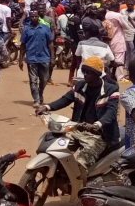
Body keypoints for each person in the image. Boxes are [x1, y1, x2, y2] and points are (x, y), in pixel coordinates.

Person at [36, 57, 121, 192]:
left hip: (99, 135)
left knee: (81, 164)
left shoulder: (111, 90)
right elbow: (65, 100)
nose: (85, 74)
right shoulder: (80, 86)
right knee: (55, 150)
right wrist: (47, 107)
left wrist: (97, 125)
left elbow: (111, 113)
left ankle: (83, 193)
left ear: (98, 74)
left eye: (89, 72)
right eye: (84, 71)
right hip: (77, 129)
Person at [19, 9, 54, 108]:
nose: (34, 18)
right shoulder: (26, 29)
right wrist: (20, 59)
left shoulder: (45, 28)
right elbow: (23, 45)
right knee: (33, 80)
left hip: (44, 57)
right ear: (29, 17)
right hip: (31, 58)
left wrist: (53, 57)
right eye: (32, 16)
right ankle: (36, 100)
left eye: (35, 16)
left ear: (38, 17)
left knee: (44, 79)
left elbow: (50, 43)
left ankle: (40, 92)